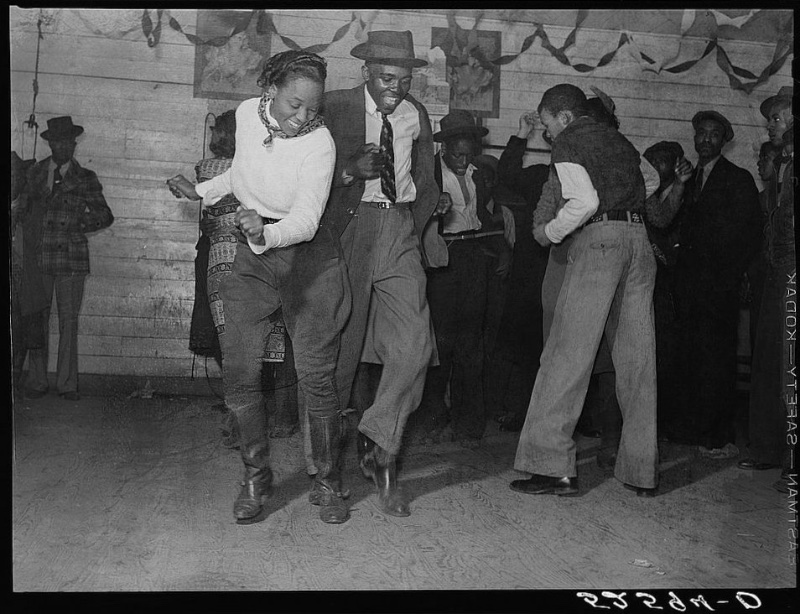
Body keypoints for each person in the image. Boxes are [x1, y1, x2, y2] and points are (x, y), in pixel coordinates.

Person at [167, 50, 351, 525]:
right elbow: (244, 172)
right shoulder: (248, 115)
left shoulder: (321, 144)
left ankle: (328, 481)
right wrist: (203, 190)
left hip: (309, 258)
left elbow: (307, 221)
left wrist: (263, 233)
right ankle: (256, 478)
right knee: (240, 369)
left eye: (313, 108)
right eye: (294, 104)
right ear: (269, 91)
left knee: (315, 375)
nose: (302, 117)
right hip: (255, 253)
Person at [509, 84, 659, 498]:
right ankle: (641, 471)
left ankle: (553, 466)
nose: (546, 134)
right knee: (637, 362)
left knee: (565, 356)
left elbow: (584, 202)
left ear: (565, 117)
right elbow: (651, 179)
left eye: (546, 123)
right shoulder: (619, 139)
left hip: (602, 242)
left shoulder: (571, 141)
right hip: (639, 242)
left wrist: (547, 232)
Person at [321, 30, 444, 517]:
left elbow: (426, 176)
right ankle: (326, 468)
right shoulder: (335, 107)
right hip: (349, 228)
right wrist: (349, 170)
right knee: (342, 350)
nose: (396, 87)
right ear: (366, 72)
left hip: (398, 226)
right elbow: (299, 168)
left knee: (417, 344)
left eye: (405, 78)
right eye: (387, 77)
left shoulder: (417, 114)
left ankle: (378, 437)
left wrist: (412, 223)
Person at [186, 111, 300, 449]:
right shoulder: (215, 168)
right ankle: (248, 419)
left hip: (241, 258)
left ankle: (248, 419)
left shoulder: (234, 169)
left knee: (246, 342)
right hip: (235, 259)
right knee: (247, 342)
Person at [414, 110, 510, 447]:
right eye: (457, 153)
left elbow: (485, 216)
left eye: (469, 153)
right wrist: (431, 212)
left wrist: (501, 251)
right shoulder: (428, 178)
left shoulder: (479, 176)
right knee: (440, 342)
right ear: (444, 149)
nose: (463, 159)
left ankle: (469, 421)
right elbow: (414, 219)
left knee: (472, 342)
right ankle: (433, 415)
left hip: (473, 260)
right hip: (442, 260)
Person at [669, 110, 761, 459]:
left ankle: (716, 434)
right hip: (687, 288)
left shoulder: (738, 180)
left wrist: (729, 279)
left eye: (713, 134)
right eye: (701, 133)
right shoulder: (685, 179)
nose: (706, 139)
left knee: (717, 360)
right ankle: (687, 428)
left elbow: (748, 235)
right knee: (687, 355)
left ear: (724, 141)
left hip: (718, 288)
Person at [16, 116, 115, 402]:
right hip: (39, 258)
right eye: (59, 141)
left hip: (71, 260)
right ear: (50, 143)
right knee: (37, 318)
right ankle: (36, 380)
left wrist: (78, 224)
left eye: (69, 141)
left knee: (68, 322)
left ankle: (67, 384)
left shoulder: (86, 178)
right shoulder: (34, 173)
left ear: (74, 144)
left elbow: (105, 215)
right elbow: (22, 210)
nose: (65, 146)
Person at [740, 87, 794, 484]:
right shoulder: (785, 164)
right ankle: (770, 450)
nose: (771, 125)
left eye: (777, 117)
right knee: (771, 362)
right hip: (779, 272)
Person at [491, 113, 551, 433]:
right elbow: (507, 174)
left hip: (565, 271)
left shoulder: (587, 177)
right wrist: (522, 134)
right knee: (524, 345)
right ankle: (521, 412)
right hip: (530, 272)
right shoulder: (541, 175)